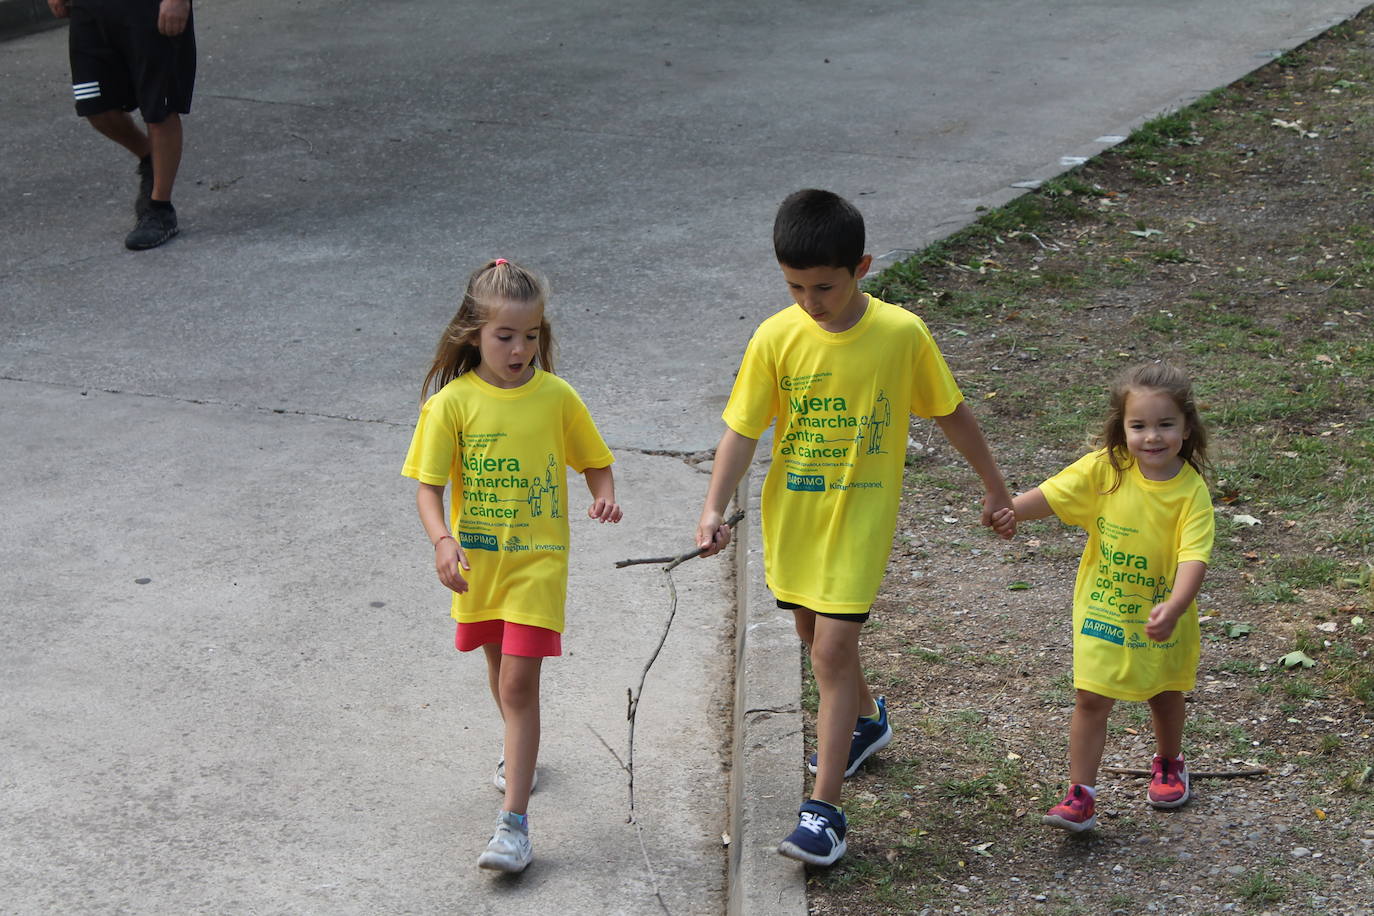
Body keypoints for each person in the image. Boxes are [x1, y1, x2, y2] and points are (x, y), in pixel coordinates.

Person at [695, 189, 1015, 866]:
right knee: (813, 637)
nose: (810, 302)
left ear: (862, 268)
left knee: (830, 654)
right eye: (795, 287)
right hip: (794, 518)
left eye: (824, 287)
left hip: (859, 522)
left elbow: (950, 411)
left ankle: (825, 813)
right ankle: (868, 721)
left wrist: (993, 484)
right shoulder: (775, 337)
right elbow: (742, 430)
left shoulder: (901, 335)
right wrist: (713, 506)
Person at [401, 258, 623, 873]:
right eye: (505, 336)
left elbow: (594, 459)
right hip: (480, 569)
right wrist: (442, 541)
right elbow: (427, 488)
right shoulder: (450, 405)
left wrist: (603, 493)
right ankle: (519, 750)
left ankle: (514, 827)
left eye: (531, 335)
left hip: (537, 567)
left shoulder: (556, 397)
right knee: (502, 678)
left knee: (520, 686)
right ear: (473, 333)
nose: (520, 349)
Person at [991, 362, 1214, 832]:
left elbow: (1194, 557)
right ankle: (1081, 794)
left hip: (1161, 617)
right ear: (1122, 428)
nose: (1152, 437)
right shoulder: (1106, 470)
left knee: (1164, 693)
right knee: (1090, 698)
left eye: (1165, 424)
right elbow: (1053, 495)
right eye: (1139, 426)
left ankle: (1169, 762)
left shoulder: (1190, 493)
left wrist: (1175, 606)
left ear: (1186, 427)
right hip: (1104, 611)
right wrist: (1011, 511)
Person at [48, 0, 195, 250]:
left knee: (159, 108)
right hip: (90, 9)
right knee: (96, 107)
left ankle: (160, 210)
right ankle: (151, 158)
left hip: (150, 8)